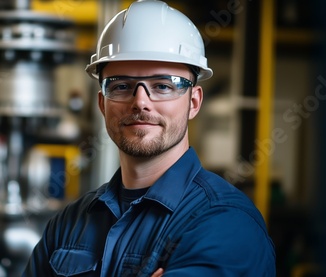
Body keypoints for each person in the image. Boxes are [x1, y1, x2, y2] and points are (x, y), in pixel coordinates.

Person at [23, 0, 276, 276]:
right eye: (121, 86)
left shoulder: (226, 224)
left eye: (163, 86)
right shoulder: (68, 225)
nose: (140, 101)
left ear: (194, 102)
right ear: (102, 104)